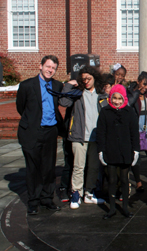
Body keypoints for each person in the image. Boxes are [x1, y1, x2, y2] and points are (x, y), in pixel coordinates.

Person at [16, 55, 64, 215]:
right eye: (48, 66)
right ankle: (33, 201)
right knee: (33, 169)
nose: (50, 70)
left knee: (49, 168)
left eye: (53, 68)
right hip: (32, 132)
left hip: (50, 132)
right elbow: (21, 107)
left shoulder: (57, 85)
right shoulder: (27, 85)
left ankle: (47, 199)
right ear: (41, 66)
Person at [59, 66, 107, 209]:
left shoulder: (100, 94)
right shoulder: (77, 93)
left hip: (96, 137)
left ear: (94, 78)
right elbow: (63, 102)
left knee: (93, 167)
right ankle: (76, 193)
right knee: (78, 167)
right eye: (83, 79)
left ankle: (89, 193)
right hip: (79, 135)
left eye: (89, 78)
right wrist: (68, 85)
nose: (86, 81)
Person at [96, 84, 140, 219]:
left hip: (125, 150)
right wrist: (101, 150)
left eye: (119, 99)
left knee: (124, 179)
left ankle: (125, 207)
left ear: (124, 99)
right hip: (111, 150)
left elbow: (134, 133)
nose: (117, 101)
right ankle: (112, 208)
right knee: (112, 179)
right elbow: (101, 133)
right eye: (114, 98)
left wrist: (136, 150)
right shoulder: (105, 112)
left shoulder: (129, 112)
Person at [127, 71, 147, 189]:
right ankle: (138, 182)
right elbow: (129, 104)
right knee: (136, 155)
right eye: (144, 84)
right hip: (136, 124)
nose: (145, 87)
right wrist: (136, 92)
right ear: (138, 81)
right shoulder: (131, 92)